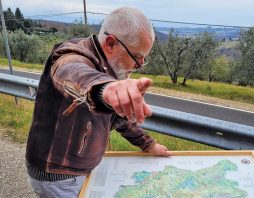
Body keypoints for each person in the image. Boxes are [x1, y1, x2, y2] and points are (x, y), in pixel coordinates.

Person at [26, 7, 171, 198]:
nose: (140, 65)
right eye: (136, 56)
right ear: (111, 43)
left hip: (77, 168)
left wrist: (148, 144)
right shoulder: (71, 55)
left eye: (144, 58)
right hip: (59, 175)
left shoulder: (109, 67)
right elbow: (72, 72)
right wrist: (105, 88)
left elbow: (118, 117)